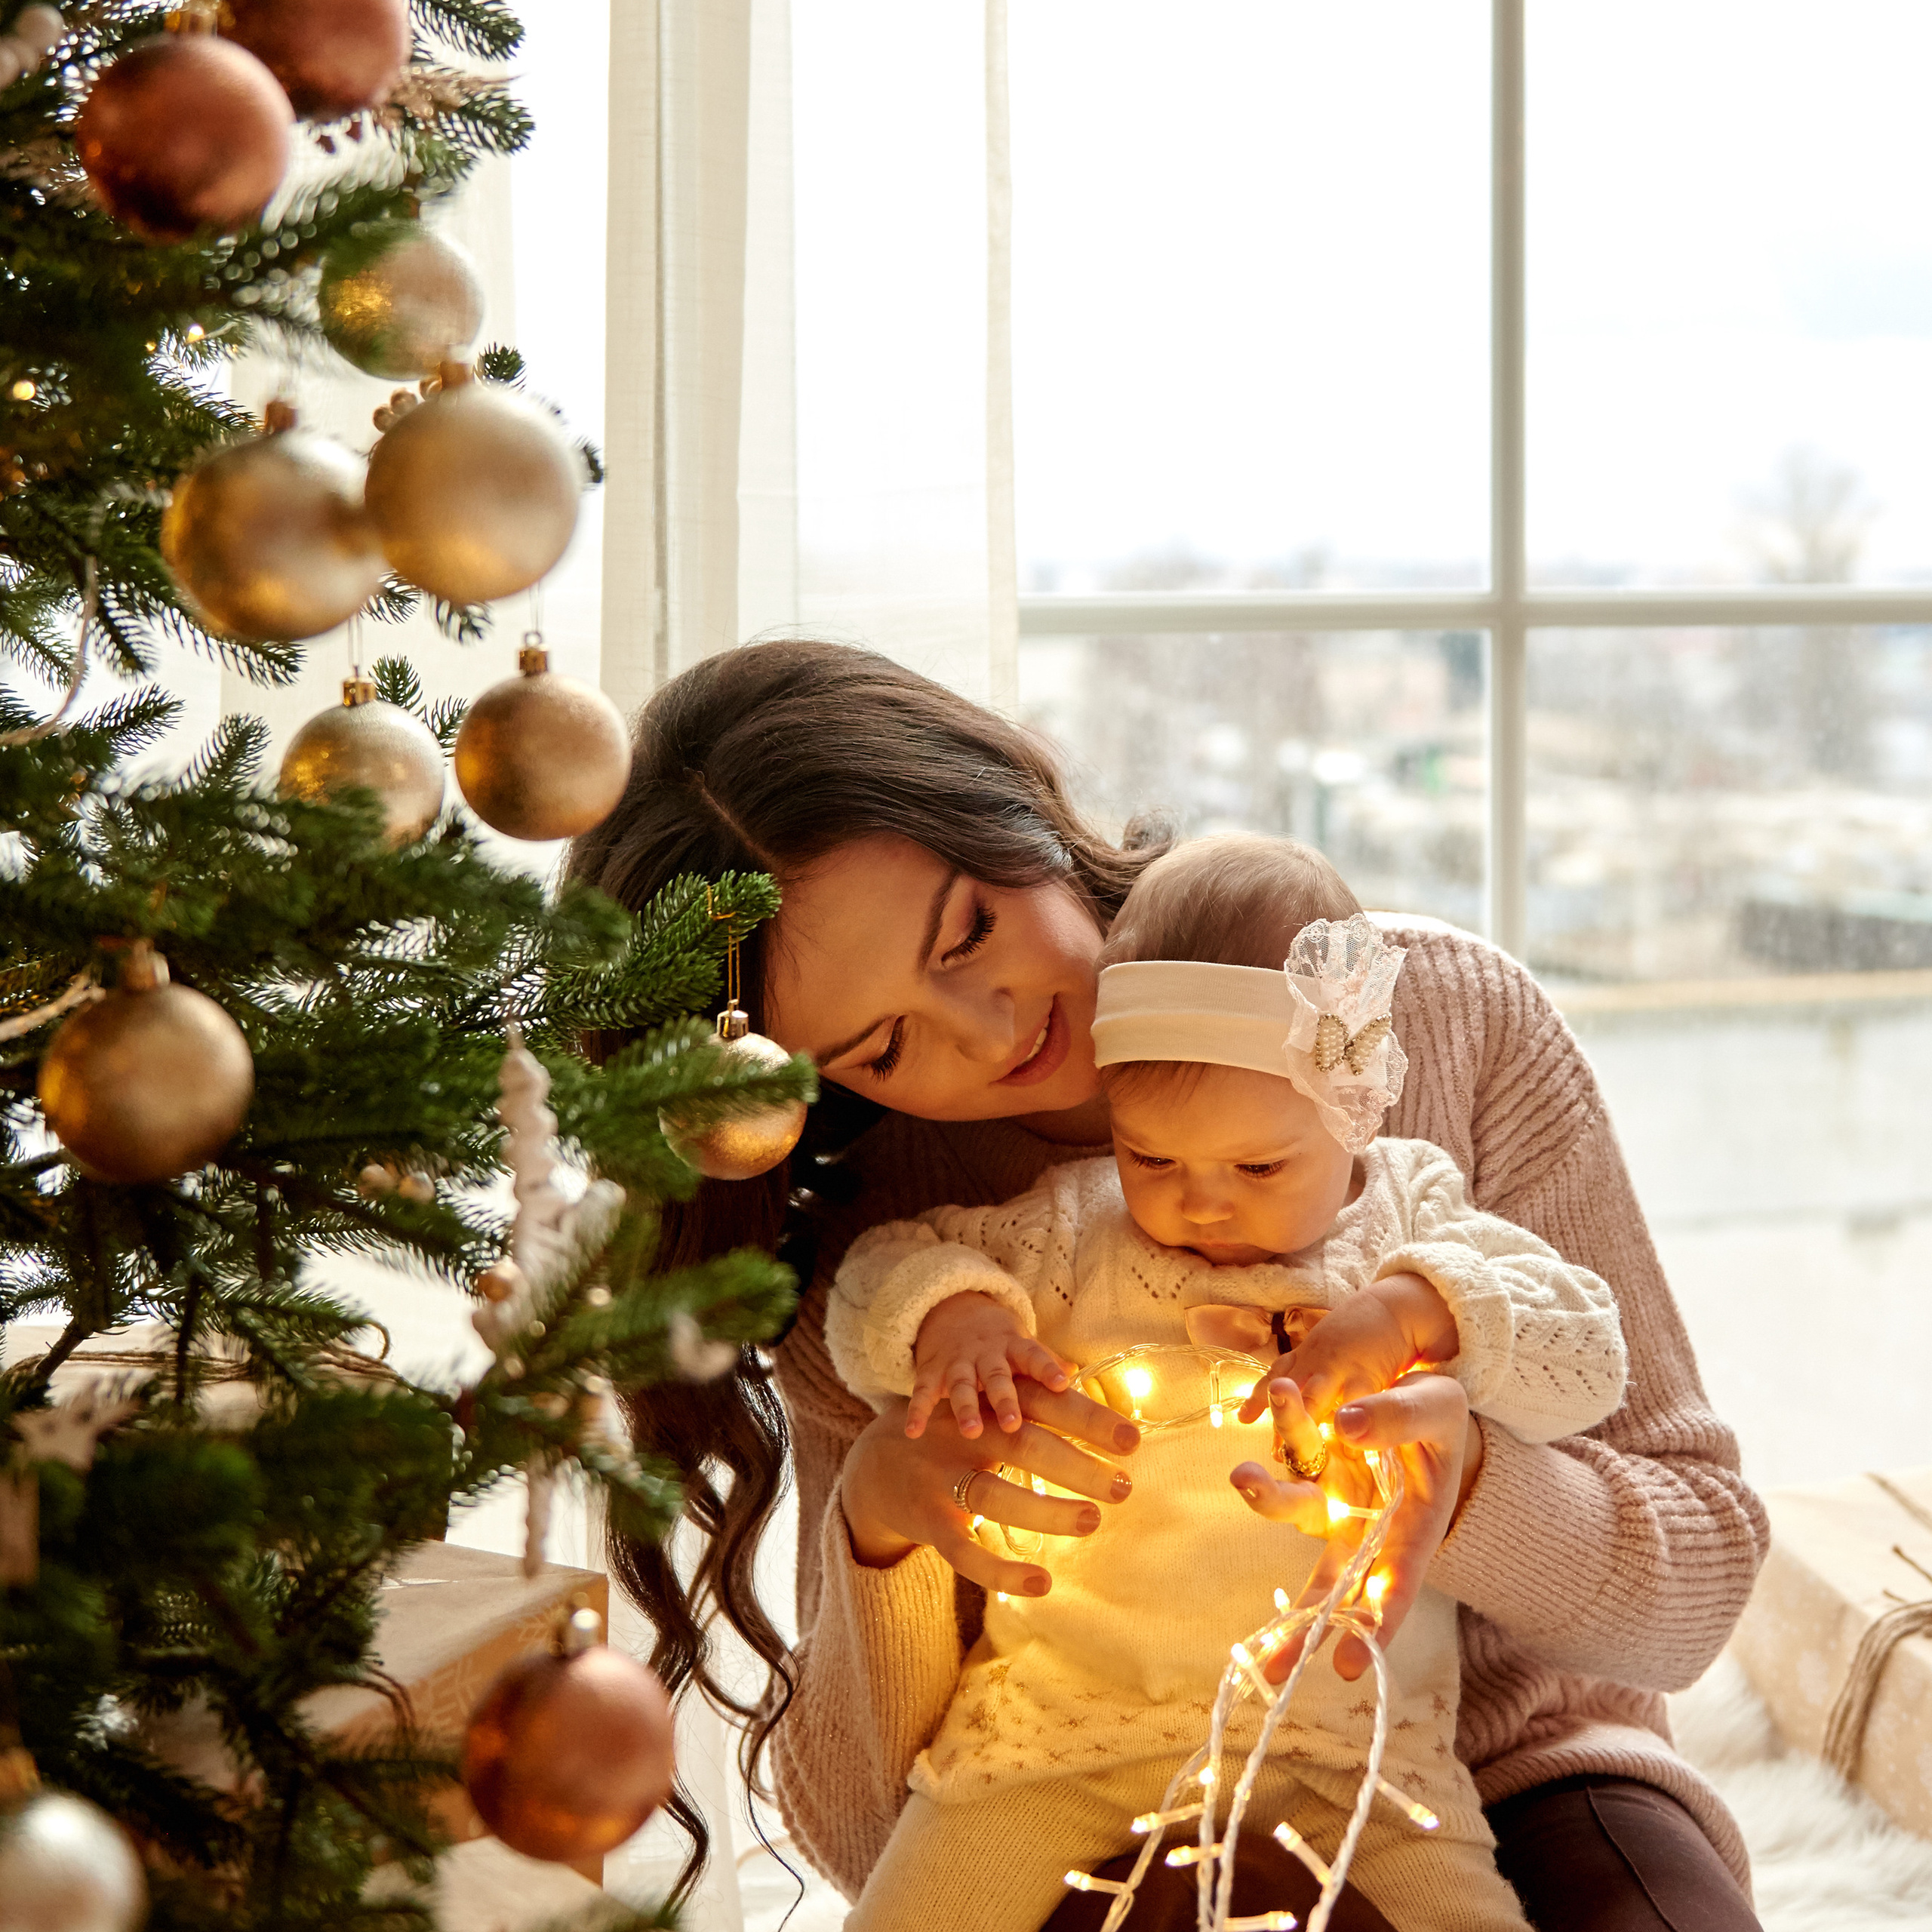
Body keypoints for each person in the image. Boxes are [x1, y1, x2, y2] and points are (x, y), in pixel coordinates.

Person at [568, 638, 1768, 1932]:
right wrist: (885, 1535)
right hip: (1102, 1786)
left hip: (1512, 1775)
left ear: (1011, 800)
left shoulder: (1436, 1021)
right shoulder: (888, 1245)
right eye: (883, 1042)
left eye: (970, 928)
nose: (989, 1028)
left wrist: (1471, 1483)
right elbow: (873, 1841)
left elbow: (1694, 1586)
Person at [822, 835, 1629, 1932]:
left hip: (1360, 1754)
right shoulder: (1069, 1226)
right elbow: (872, 1285)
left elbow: (1588, 1358)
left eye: (1257, 1168)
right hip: (1053, 1746)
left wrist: (1423, 1313)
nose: (1201, 1205)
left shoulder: (1409, 1225)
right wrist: (951, 1314)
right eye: (1152, 1158)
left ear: (1354, 1110)